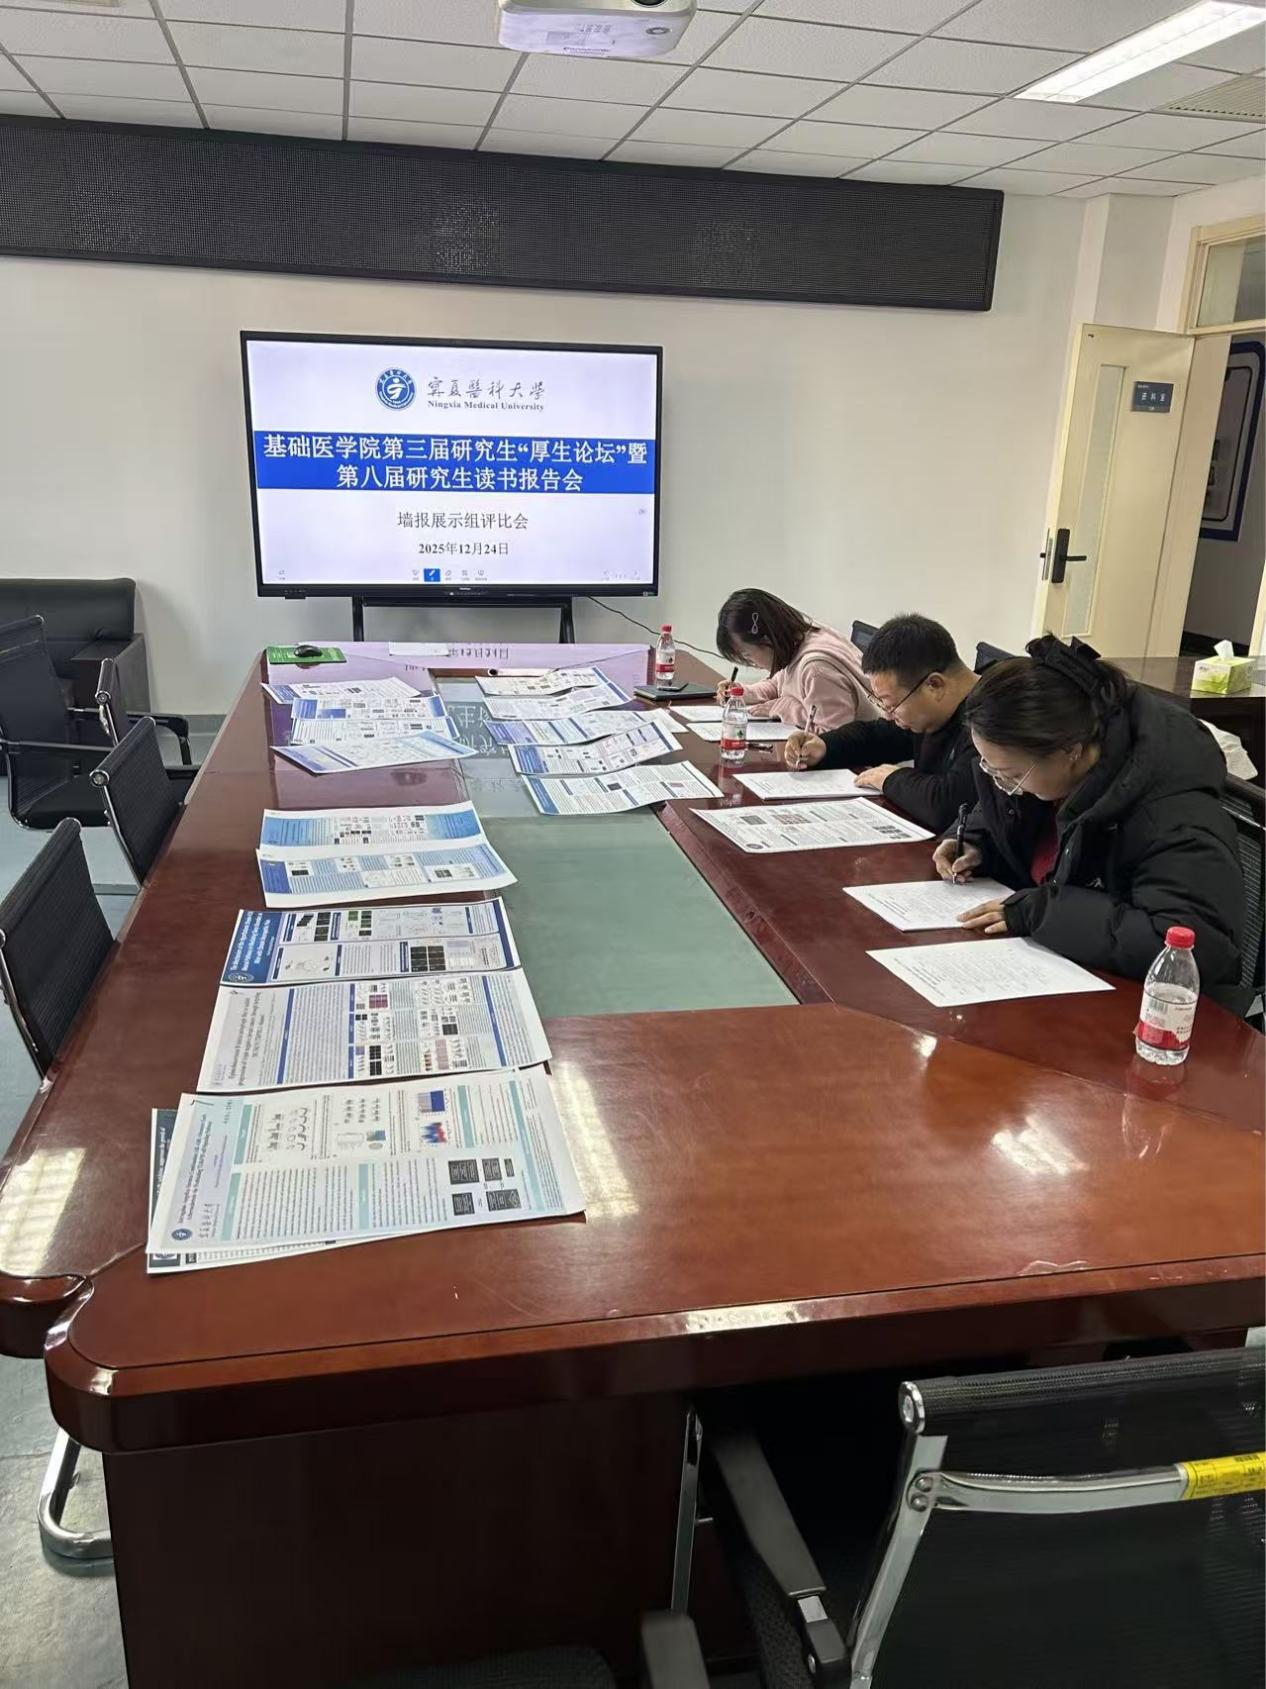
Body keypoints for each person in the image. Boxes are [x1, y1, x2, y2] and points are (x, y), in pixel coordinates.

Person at [934, 634, 1244, 996]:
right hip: (1065, 969)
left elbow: (1192, 947)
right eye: (989, 767)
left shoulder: (1175, 817)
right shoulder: (1051, 776)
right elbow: (1005, 808)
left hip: (1153, 1006)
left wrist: (1041, 912)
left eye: (1010, 774)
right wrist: (975, 839)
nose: (1002, 784)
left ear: (1070, 751)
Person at [781, 613, 979, 832]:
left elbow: (950, 805)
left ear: (934, 685)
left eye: (892, 705)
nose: (888, 715)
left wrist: (892, 779)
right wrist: (825, 746)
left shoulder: (991, 718)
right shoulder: (933, 710)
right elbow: (880, 735)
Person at [714, 589, 877, 732]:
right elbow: (780, 683)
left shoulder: (816, 670)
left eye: (747, 656)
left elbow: (833, 736)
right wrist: (743, 693)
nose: (752, 665)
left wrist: (783, 707)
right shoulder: (799, 638)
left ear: (767, 640)